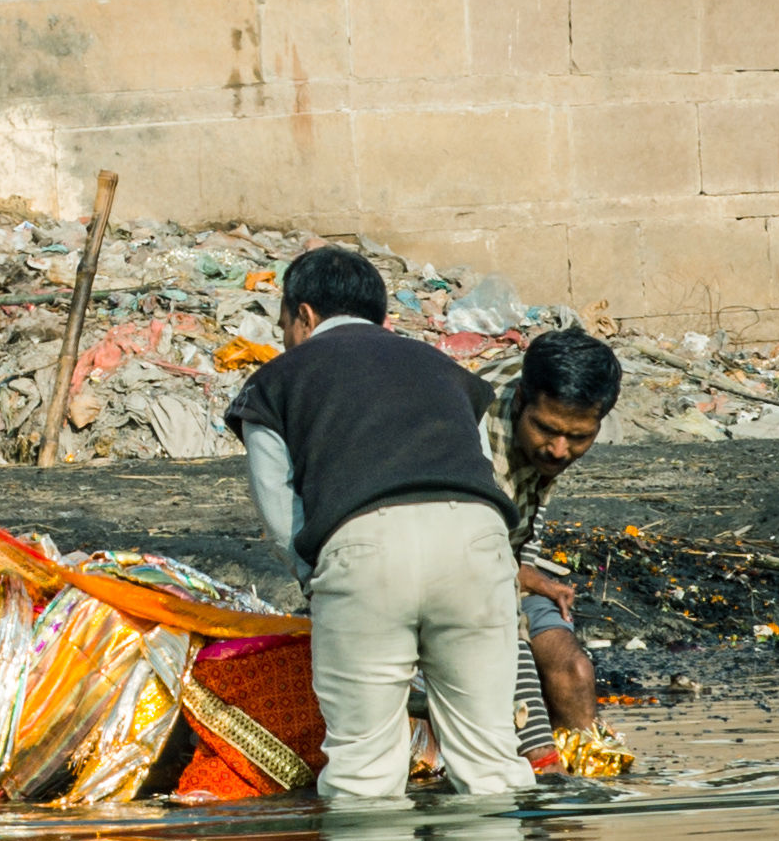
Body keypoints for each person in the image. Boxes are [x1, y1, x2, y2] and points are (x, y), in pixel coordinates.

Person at [223, 245, 535, 802]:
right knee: (492, 762)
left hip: (363, 547)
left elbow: (280, 510)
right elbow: (482, 468)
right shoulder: (446, 370)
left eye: (285, 325)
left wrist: (317, 579)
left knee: (364, 769)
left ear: (305, 316)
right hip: (476, 544)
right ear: (379, 312)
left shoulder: (276, 380)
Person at [488, 327, 621, 760]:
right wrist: (540, 752)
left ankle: (585, 772)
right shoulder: (483, 448)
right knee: (532, 737)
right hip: (449, 581)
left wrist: (526, 572)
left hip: (498, 565)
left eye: (579, 437)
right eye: (547, 430)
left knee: (574, 671)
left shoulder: (544, 435)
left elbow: (526, 517)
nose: (560, 450)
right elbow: (495, 599)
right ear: (522, 400)